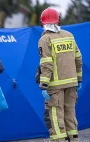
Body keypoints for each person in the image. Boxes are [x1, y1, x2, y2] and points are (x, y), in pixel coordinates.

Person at [38, 8, 82, 142]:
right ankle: (74, 139)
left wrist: (44, 85)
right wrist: (79, 79)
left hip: (55, 86)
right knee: (70, 114)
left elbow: (46, 64)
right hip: (72, 83)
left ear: (42, 22)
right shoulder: (69, 35)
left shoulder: (45, 39)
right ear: (58, 20)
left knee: (56, 117)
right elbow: (78, 58)